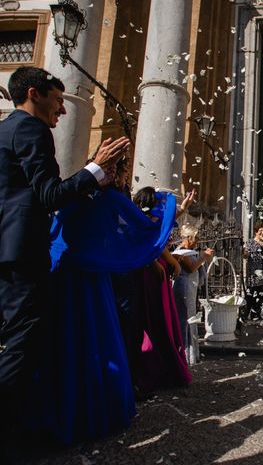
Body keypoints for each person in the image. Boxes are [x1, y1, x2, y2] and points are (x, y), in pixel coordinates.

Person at [0, 66, 128, 440]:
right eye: (58, 100)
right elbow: (49, 195)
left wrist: (96, 174)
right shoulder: (31, 129)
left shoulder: (4, 130)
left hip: (8, 249)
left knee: (16, 335)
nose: (64, 110)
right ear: (34, 94)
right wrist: (94, 167)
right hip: (23, 251)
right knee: (24, 340)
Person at [23, 185, 176, 445]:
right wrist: (169, 202)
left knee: (69, 342)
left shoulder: (72, 194)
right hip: (91, 277)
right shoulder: (110, 199)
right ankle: (94, 405)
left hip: (65, 272)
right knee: (100, 337)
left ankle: (64, 408)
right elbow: (140, 231)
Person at [130, 187, 192, 393]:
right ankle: (157, 368)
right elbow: (154, 242)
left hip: (152, 271)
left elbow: (161, 228)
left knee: (155, 318)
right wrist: (172, 261)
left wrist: (182, 209)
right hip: (153, 273)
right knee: (156, 319)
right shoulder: (145, 220)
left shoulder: (137, 216)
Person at [172, 224, 214, 366]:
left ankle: (191, 353)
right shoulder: (182, 251)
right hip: (183, 287)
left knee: (190, 317)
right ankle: (184, 354)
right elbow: (190, 268)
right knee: (185, 319)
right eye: (196, 238)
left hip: (190, 287)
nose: (198, 240)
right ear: (189, 237)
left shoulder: (190, 250)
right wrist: (203, 257)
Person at [241, 222, 263, 322]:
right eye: (260, 231)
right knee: (250, 293)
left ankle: (256, 314)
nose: (262, 232)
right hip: (253, 271)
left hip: (262, 271)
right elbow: (244, 256)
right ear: (256, 232)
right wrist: (244, 252)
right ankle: (244, 314)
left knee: (260, 293)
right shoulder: (250, 243)